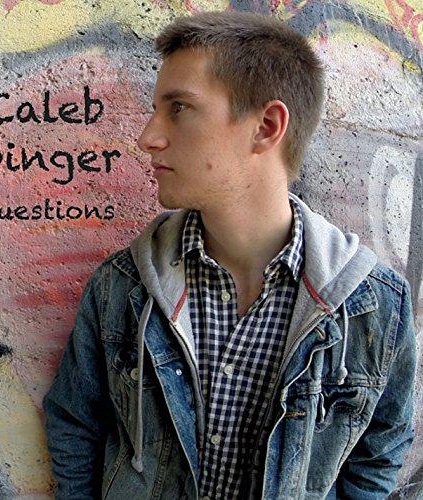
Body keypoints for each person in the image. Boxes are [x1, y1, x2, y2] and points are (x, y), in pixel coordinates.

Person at [43, 11, 416, 499]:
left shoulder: (373, 306)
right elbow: (75, 423)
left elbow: (378, 454)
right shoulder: (123, 287)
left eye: (179, 108)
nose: (148, 137)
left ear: (266, 126)